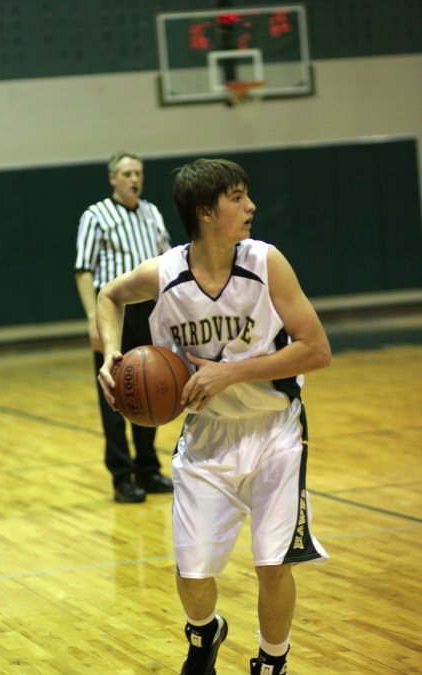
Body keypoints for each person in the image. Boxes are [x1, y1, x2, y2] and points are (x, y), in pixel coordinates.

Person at [96, 158, 331, 673]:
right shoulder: (166, 274)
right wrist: (113, 352)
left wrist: (232, 372)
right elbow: (108, 296)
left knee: (273, 564)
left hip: (276, 430)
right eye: (238, 198)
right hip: (205, 437)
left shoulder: (267, 262)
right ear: (205, 213)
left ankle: (272, 662)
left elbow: (317, 350)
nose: (251, 207)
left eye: (247, 196)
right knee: (195, 575)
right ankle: (205, 634)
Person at [74, 151, 173, 503]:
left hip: (150, 309)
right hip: (113, 309)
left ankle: (148, 469)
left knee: (152, 385)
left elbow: (168, 259)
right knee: (116, 390)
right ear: (113, 178)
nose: (135, 179)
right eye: (128, 173)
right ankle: (121, 476)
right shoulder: (96, 215)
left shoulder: (152, 212)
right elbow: (84, 270)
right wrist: (91, 318)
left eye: (139, 173)